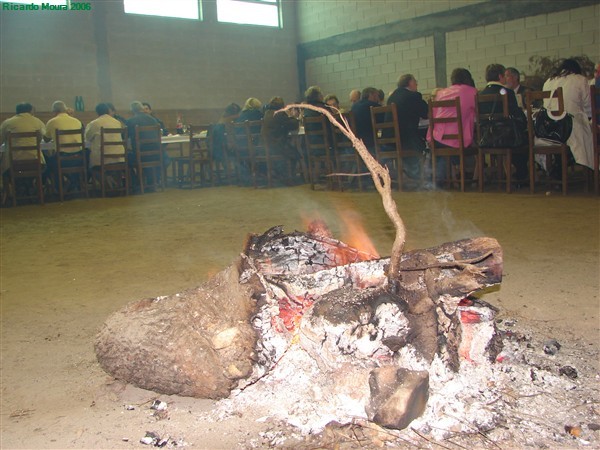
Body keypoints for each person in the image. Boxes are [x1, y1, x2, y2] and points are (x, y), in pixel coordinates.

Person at [543, 58, 594, 174]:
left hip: (549, 130)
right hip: (569, 127)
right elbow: (589, 106)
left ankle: (560, 162)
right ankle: (573, 161)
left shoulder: (548, 81)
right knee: (586, 132)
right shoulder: (580, 80)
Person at [479, 63, 528, 181]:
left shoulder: (479, 94)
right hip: (505, 138)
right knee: (525, 140)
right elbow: (517, 115)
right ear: (500, 77)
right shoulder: (507, 92)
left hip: (487, 138)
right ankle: (522, 176)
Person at [386, 74, 429, 177]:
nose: (416, 84)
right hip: (406, 140)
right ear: (409, 83)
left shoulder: (391, 98)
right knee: (425, 141)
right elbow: (427, 114)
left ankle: (407, 171)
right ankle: (416, 173)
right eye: (415, 81)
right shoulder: (413, 96)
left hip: (389, 140)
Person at [44, 100, 85, 188]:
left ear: (54, 111)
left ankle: (59, 188)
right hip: (78, 158)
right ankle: (74, 184)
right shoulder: (77, 121)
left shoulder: (52, 122)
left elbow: (46, 139)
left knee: (47, 163)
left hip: (62, 160)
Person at [0, 103, 46, 176]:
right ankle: (32, 186)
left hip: (13, 163)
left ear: (17, 111)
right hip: (36, 162)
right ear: (30, 111)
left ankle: (16, 186)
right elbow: (42, 138)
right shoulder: (37, 121)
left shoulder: (7, 123)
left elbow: (0, 140)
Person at [262, 96, 300, 183]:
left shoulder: (267, 113)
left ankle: (280, 174)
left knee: (291, 150)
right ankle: (289, 177)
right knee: (295, 153)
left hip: (266, 146)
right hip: (277, 146)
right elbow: (294, 125)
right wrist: (292, 116)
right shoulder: (279, 114)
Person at [85, 102, 126, 170]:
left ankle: (103, 180)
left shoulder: (94, 123)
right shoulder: (117, 122)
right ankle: (112, 180)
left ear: (97, 112)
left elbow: (88, 138)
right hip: (119, 158)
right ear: (108, 111)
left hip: (102, 160)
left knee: (90, 166)